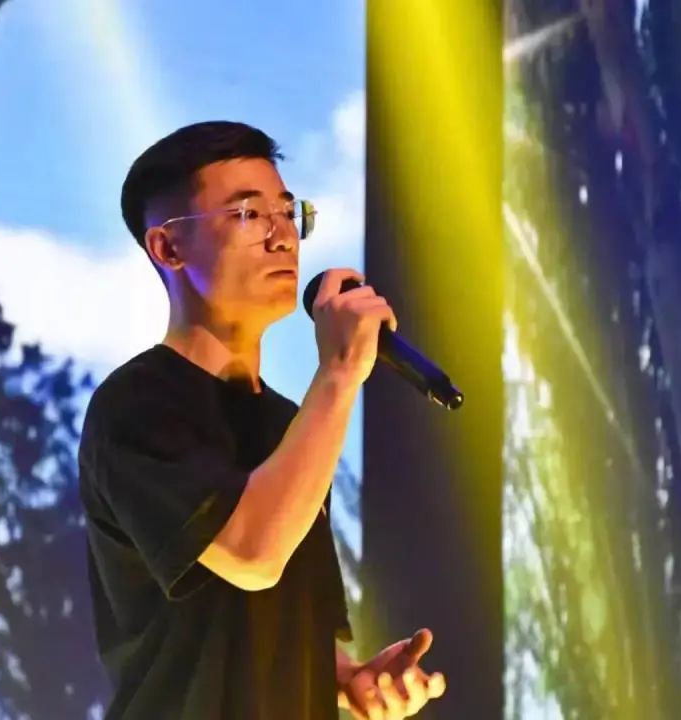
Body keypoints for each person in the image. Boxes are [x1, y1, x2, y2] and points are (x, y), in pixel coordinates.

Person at [78, 121, 446, 719]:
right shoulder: (137, 404)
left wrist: (348, 680)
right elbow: (252, 554)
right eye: (249, 215)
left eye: (288, 212)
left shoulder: (287, 421)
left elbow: (278, 621)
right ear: (168, 248)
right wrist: (340, 372)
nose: (283, 238)